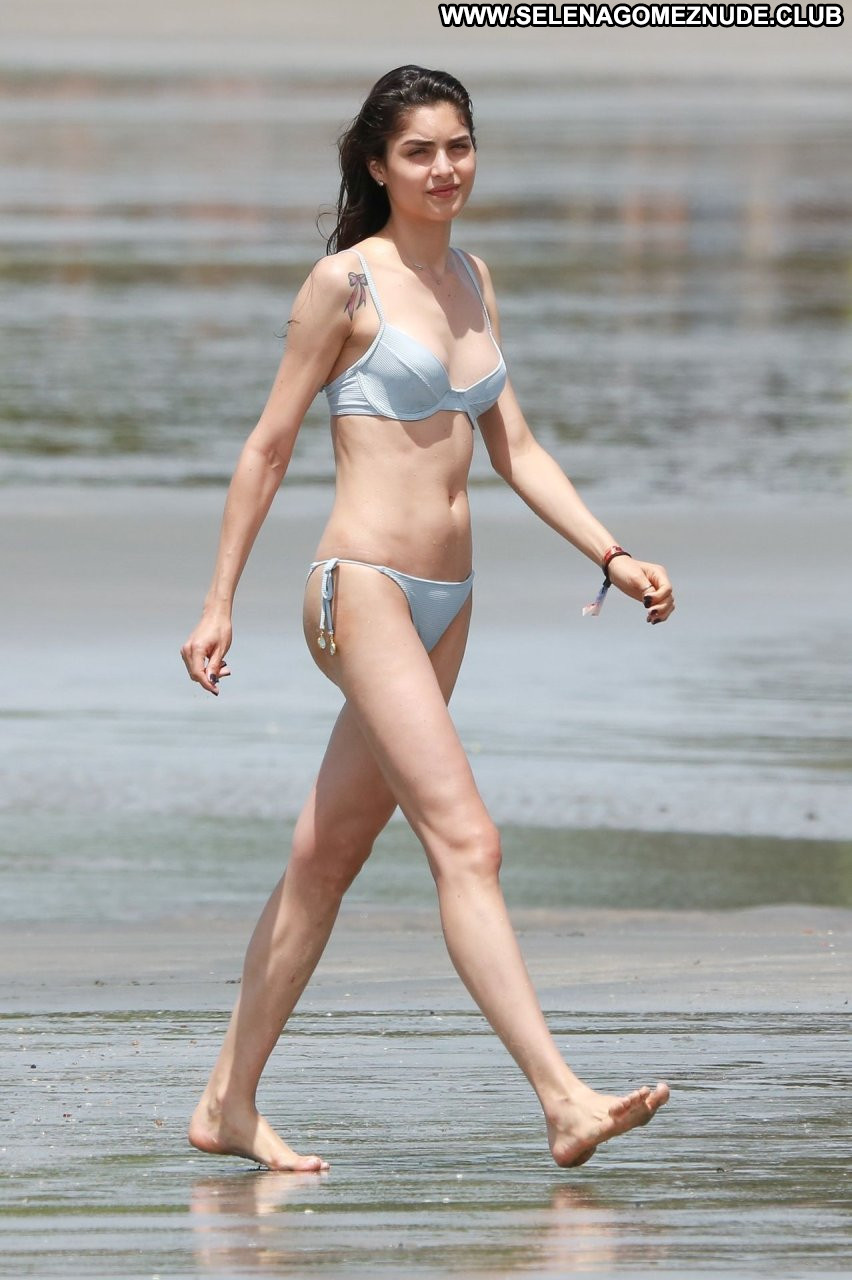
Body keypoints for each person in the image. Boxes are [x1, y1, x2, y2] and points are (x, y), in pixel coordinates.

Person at [180, 65, 675, 1174]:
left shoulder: (473, 278)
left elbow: (517, 449)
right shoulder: (343, 284)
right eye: (419, 151)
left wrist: (611, 552)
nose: (445, 168)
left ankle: (227, 1101)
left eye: (459, 145)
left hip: (448, 602)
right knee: (468, 839)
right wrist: (217, 603)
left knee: (327, 856)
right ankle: (564, 1099)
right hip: (358, 588)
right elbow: (267, 447)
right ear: (377, 163)